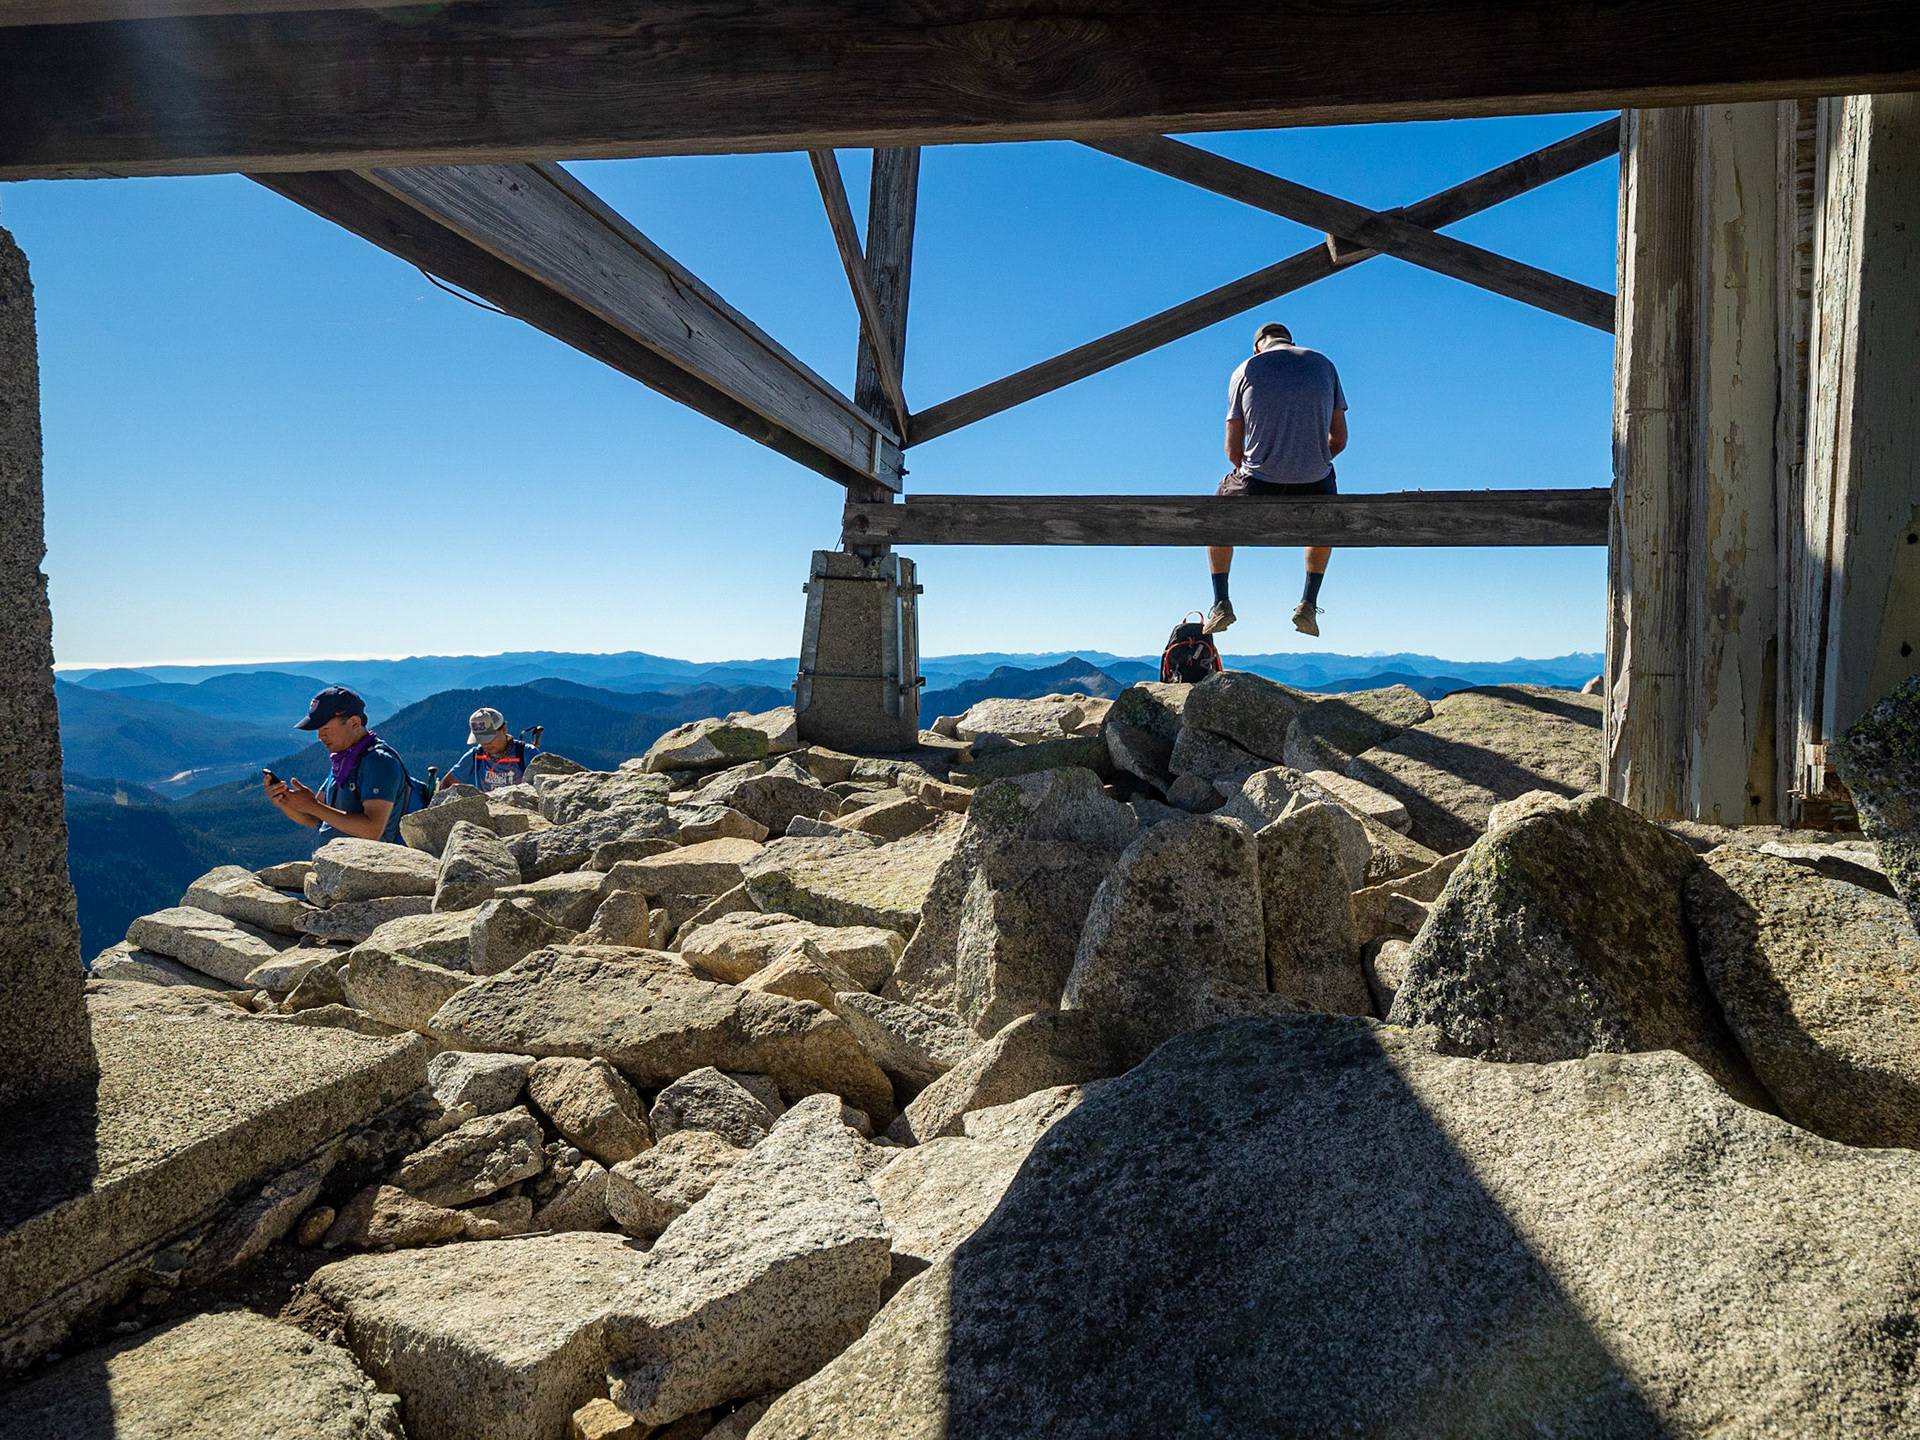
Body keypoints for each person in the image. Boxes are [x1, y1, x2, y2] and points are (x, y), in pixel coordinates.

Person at [1205, 320, 1349, 638]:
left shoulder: (1245, 369)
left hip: (1257, 481)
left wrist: (1265, 464)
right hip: (1315, 481)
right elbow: (1338, 440)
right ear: (1289, 340)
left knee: (1214, 512)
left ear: (1258, 345)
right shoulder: (1325, 365)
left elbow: (1233, 451)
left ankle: (1220, 602)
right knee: (1327, 510)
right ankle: (1308, 604)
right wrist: (1306, 462)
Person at [263, 686, 412, 845]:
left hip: (366, 866)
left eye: (325, 728)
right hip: (337, 865)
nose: (320, 736)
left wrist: (313, 806)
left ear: (354, 722)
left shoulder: (379, 763)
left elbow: (372, 830)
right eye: (318, 730)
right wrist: (284, 802)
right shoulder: (344, 760)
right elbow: (316, 819)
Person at [443, 707, 539, 792]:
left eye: (489, 738)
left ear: (504, 729)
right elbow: (446, 784)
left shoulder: (527, 753)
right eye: (480, 739)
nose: (485, 744)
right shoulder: (476, 755)